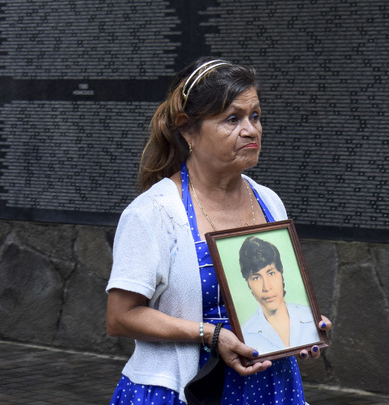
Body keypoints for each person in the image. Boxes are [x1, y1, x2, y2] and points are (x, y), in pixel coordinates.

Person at [105, 57, 332, 405]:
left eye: (254, 116)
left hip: (269, 388)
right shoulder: (155, 213)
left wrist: (301, 326)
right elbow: (120, 317)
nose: (250, 129)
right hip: (183, 389)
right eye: (231, 119)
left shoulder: (268, 201)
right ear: (187, 129)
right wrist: (210, 335)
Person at [238, 237, 320, 355]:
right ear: (248, 284)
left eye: (271, 273)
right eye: (256, 278)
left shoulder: (309, 316)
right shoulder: (245, 334)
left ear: (281, 275)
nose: (266, 287)